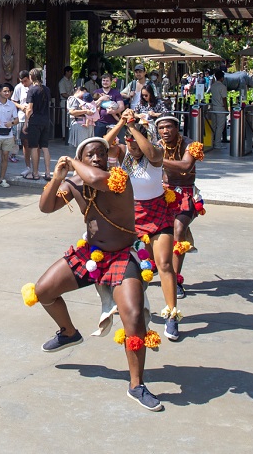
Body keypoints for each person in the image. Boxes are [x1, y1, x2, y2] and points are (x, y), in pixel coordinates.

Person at [21, 137, 165, 411]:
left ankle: (136, 384)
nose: (98, 157)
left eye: (102, 153)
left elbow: (96, 179)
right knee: (43, 291)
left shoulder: (117, 178)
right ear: (83, 159)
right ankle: (68, 332)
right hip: (91, 254)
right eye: (91, 154)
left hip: (123, 255)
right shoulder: (74, 183)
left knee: (133, 318)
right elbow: (45, 206)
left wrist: (73, 162)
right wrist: (58, 177)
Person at [107, 109, 182, 341]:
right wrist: (121, 124)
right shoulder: (122, 153)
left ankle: (172, 315)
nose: (133, 146)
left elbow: (150, 151)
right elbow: (103, 144)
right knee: (139, 268)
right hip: (133, 217)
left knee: (164, 265)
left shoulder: (155, 153)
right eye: (129, 143)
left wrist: (134, 127)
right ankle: (134, 308)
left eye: (136, 141)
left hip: (158, 215)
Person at [157, 115, 203, 298]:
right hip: (161, 192)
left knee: (178, 229)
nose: (165, 131)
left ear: (177, 128)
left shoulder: (191, 145)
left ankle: (175, 280)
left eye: (168, 127)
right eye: (161, 128)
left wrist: (155, 158)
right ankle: (155, 266)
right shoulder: (157, 145)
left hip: (185, 192)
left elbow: (185, 166)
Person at [23, 67, 53, 180]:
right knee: (45, 147)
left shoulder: (32, 90)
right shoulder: (47, 89)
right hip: (46, 120)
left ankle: (35, 173)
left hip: (35, 121)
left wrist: (26, 122)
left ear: (31, 77)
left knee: (34, 147)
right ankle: (48, 172)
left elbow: (29, 109)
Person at [90, 73, 123, 138]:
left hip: (112, 122)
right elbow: (91, 106)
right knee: (98, 143)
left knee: (112, 143)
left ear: (111, 82)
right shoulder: (96, 92)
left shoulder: (116, 93)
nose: (105, 82)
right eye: (103, 80)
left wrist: (113, 112)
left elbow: (121, 107)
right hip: (99, 122)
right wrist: (101, 99)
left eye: (107, 81)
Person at [11, 70, 32, 168]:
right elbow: (13, 101)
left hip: (34, 116)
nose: (24, 83)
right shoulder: (19, 87)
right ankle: (27, 164)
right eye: (21, 81)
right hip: (22, 117)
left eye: (25, 81)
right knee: (24, 141)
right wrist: (20, 106)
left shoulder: (35, 86)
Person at [207, 69, 228, 150]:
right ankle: (217, 143)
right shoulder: (222, 87)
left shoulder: (213, 86)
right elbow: (224, 99)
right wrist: (226, 109)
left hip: (213, 107)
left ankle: (212, 141)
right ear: (222, 78)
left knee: (214, 125)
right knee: (220, 126)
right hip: (220, 108)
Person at [58, 65, 75, 133]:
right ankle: (64, 134)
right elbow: (63, 93)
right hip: (64, 101)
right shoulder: (62, 82)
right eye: (70, 72)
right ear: (66, 72)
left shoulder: (70, 81)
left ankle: (70, 133)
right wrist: (71, 97)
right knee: (64, 119)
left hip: (71, 101)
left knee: (70, 118)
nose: (71, 74)